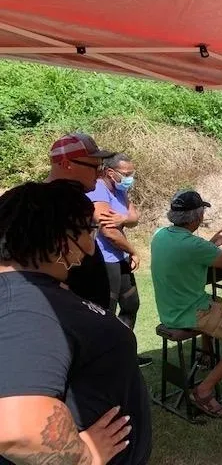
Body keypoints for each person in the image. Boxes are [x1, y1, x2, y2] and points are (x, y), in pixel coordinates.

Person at [0, 180, 151, 465]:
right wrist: (85, 457)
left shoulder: (28, 292)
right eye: (89, 230)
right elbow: (17, 429)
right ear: (61, 238)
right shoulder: (25, 306)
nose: (90, 249)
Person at [150, 189, 222, 418]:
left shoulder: (159, 235)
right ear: (197, 217)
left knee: (216, 300)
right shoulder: (196, 246)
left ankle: (207, 355)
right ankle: (202, 391)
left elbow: (187, 254)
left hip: (169, 310)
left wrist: (211, 244)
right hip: (192, 313)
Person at [87, 153, 151, 368]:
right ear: (109, 172)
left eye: (132, 173)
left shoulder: (120, 190)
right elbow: (109, 231)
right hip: (104, 260)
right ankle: (104, 361)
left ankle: (123, 353)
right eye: (126, 174)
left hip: (119, 257)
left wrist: (123, 218)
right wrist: (133, 251)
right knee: (107, 311)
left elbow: (134, 217)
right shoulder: (98, 189)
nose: (130, 178)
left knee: (131, 304)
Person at [45, 131, 114, 309]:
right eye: (94, 167)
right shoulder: (45, 205)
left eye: (102, 167)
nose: (100, 175)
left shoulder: (69, 200)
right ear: (67, 164)